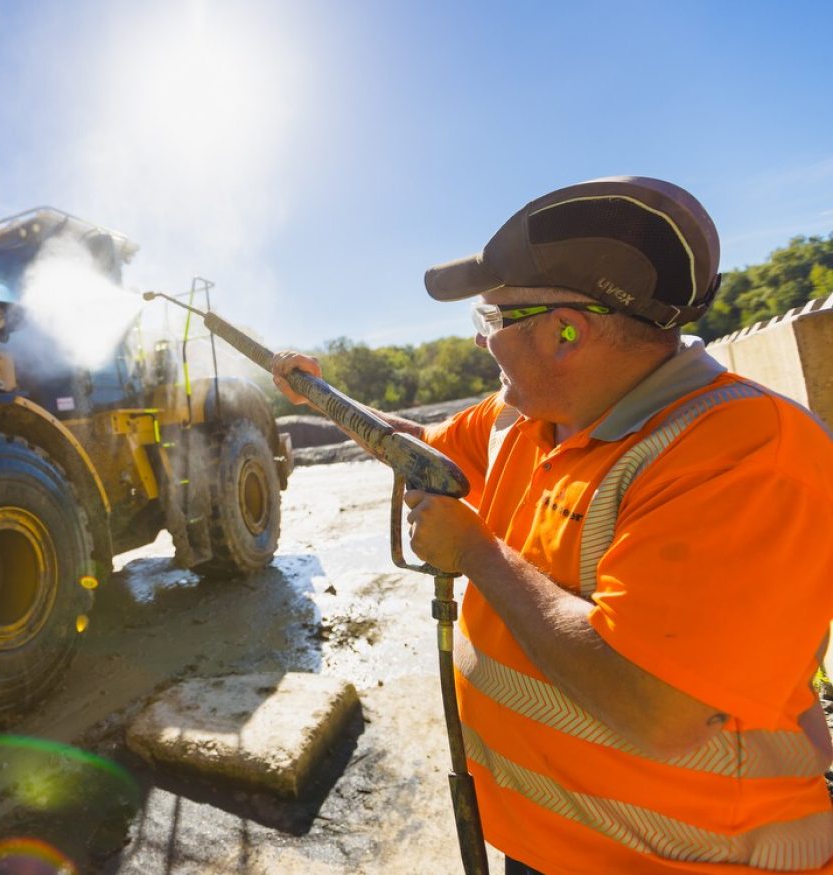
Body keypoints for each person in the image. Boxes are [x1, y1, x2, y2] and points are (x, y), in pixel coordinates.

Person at [272, 176, 833, 875]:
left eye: (490, 322)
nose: (484, 345)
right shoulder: (524, 415)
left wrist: (473, 549)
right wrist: (323, 397)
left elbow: (656, 707)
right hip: (545, 846)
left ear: (568, 331)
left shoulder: (747, 453)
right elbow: (416, 448)